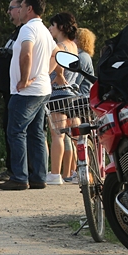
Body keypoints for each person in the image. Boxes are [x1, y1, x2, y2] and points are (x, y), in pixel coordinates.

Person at [0, 0, 57, 191]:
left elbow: (27, 52)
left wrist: (25, 79)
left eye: (21, 7)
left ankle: (20, 177)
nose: (19, 11)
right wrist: (43, 73)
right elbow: (57, 54)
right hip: (42, 88)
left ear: (29, 9)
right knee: (36, 133)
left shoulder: (27, 29)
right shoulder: (45, 31)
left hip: (26, 91)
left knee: (16, 131)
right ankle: (38, 176)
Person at [0, 0, 25, 183]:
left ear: (21, 9)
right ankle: (13, 168)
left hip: (18, 87)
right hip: (7, 87)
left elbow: (24, 55)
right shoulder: (15, 33)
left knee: (16, 129)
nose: (9, 12)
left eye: (11, 8)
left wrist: (7, 55)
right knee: (8, 127)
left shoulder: (25, 32)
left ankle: (17, 170)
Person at [46, 12, 79, 185]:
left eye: (52, 25)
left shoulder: (57, 47)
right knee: (74, 136)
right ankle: (75, 171)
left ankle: (54, 174)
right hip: (73, 94)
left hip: (58, 94)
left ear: (60, 27)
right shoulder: (73, 46)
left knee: (57, 135)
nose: (50, 28)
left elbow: (50, 70)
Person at [75, 27, 97, 96]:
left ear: (80, 40)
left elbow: (76, 82)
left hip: (81, 97)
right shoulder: (84, 56)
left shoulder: (82, 57)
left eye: (73, 38)